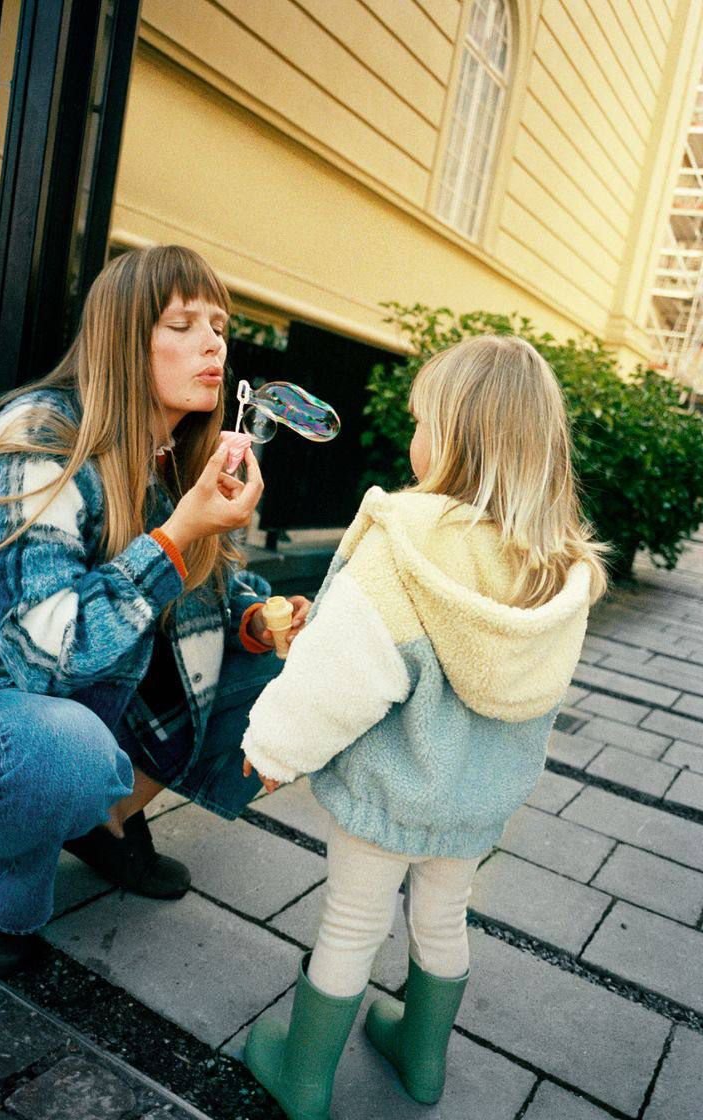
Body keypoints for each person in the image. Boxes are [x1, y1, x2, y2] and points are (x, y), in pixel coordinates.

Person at [240, 334, 608, 1120]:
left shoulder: (404, 544)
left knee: (352, 921)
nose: (414, 437)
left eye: (421, 419)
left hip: (390, 791)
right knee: (444, 917)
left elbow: (343, 677)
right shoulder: (554, 565)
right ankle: (423, 1059)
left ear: (451, 435)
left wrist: (274, 748)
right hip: (474, 805)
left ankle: (304, 1077)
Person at [0, 244, 309, 975]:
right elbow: (43, 657)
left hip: (94, 692)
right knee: (66, 752)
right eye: (183, 324)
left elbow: (208, 583)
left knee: (297, 673)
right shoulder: (38, 438)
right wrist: (180, 533)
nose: (213, 342)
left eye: (218, 324)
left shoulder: (176, 451)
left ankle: (104, 819)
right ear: (125, 338)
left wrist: (256, 619)